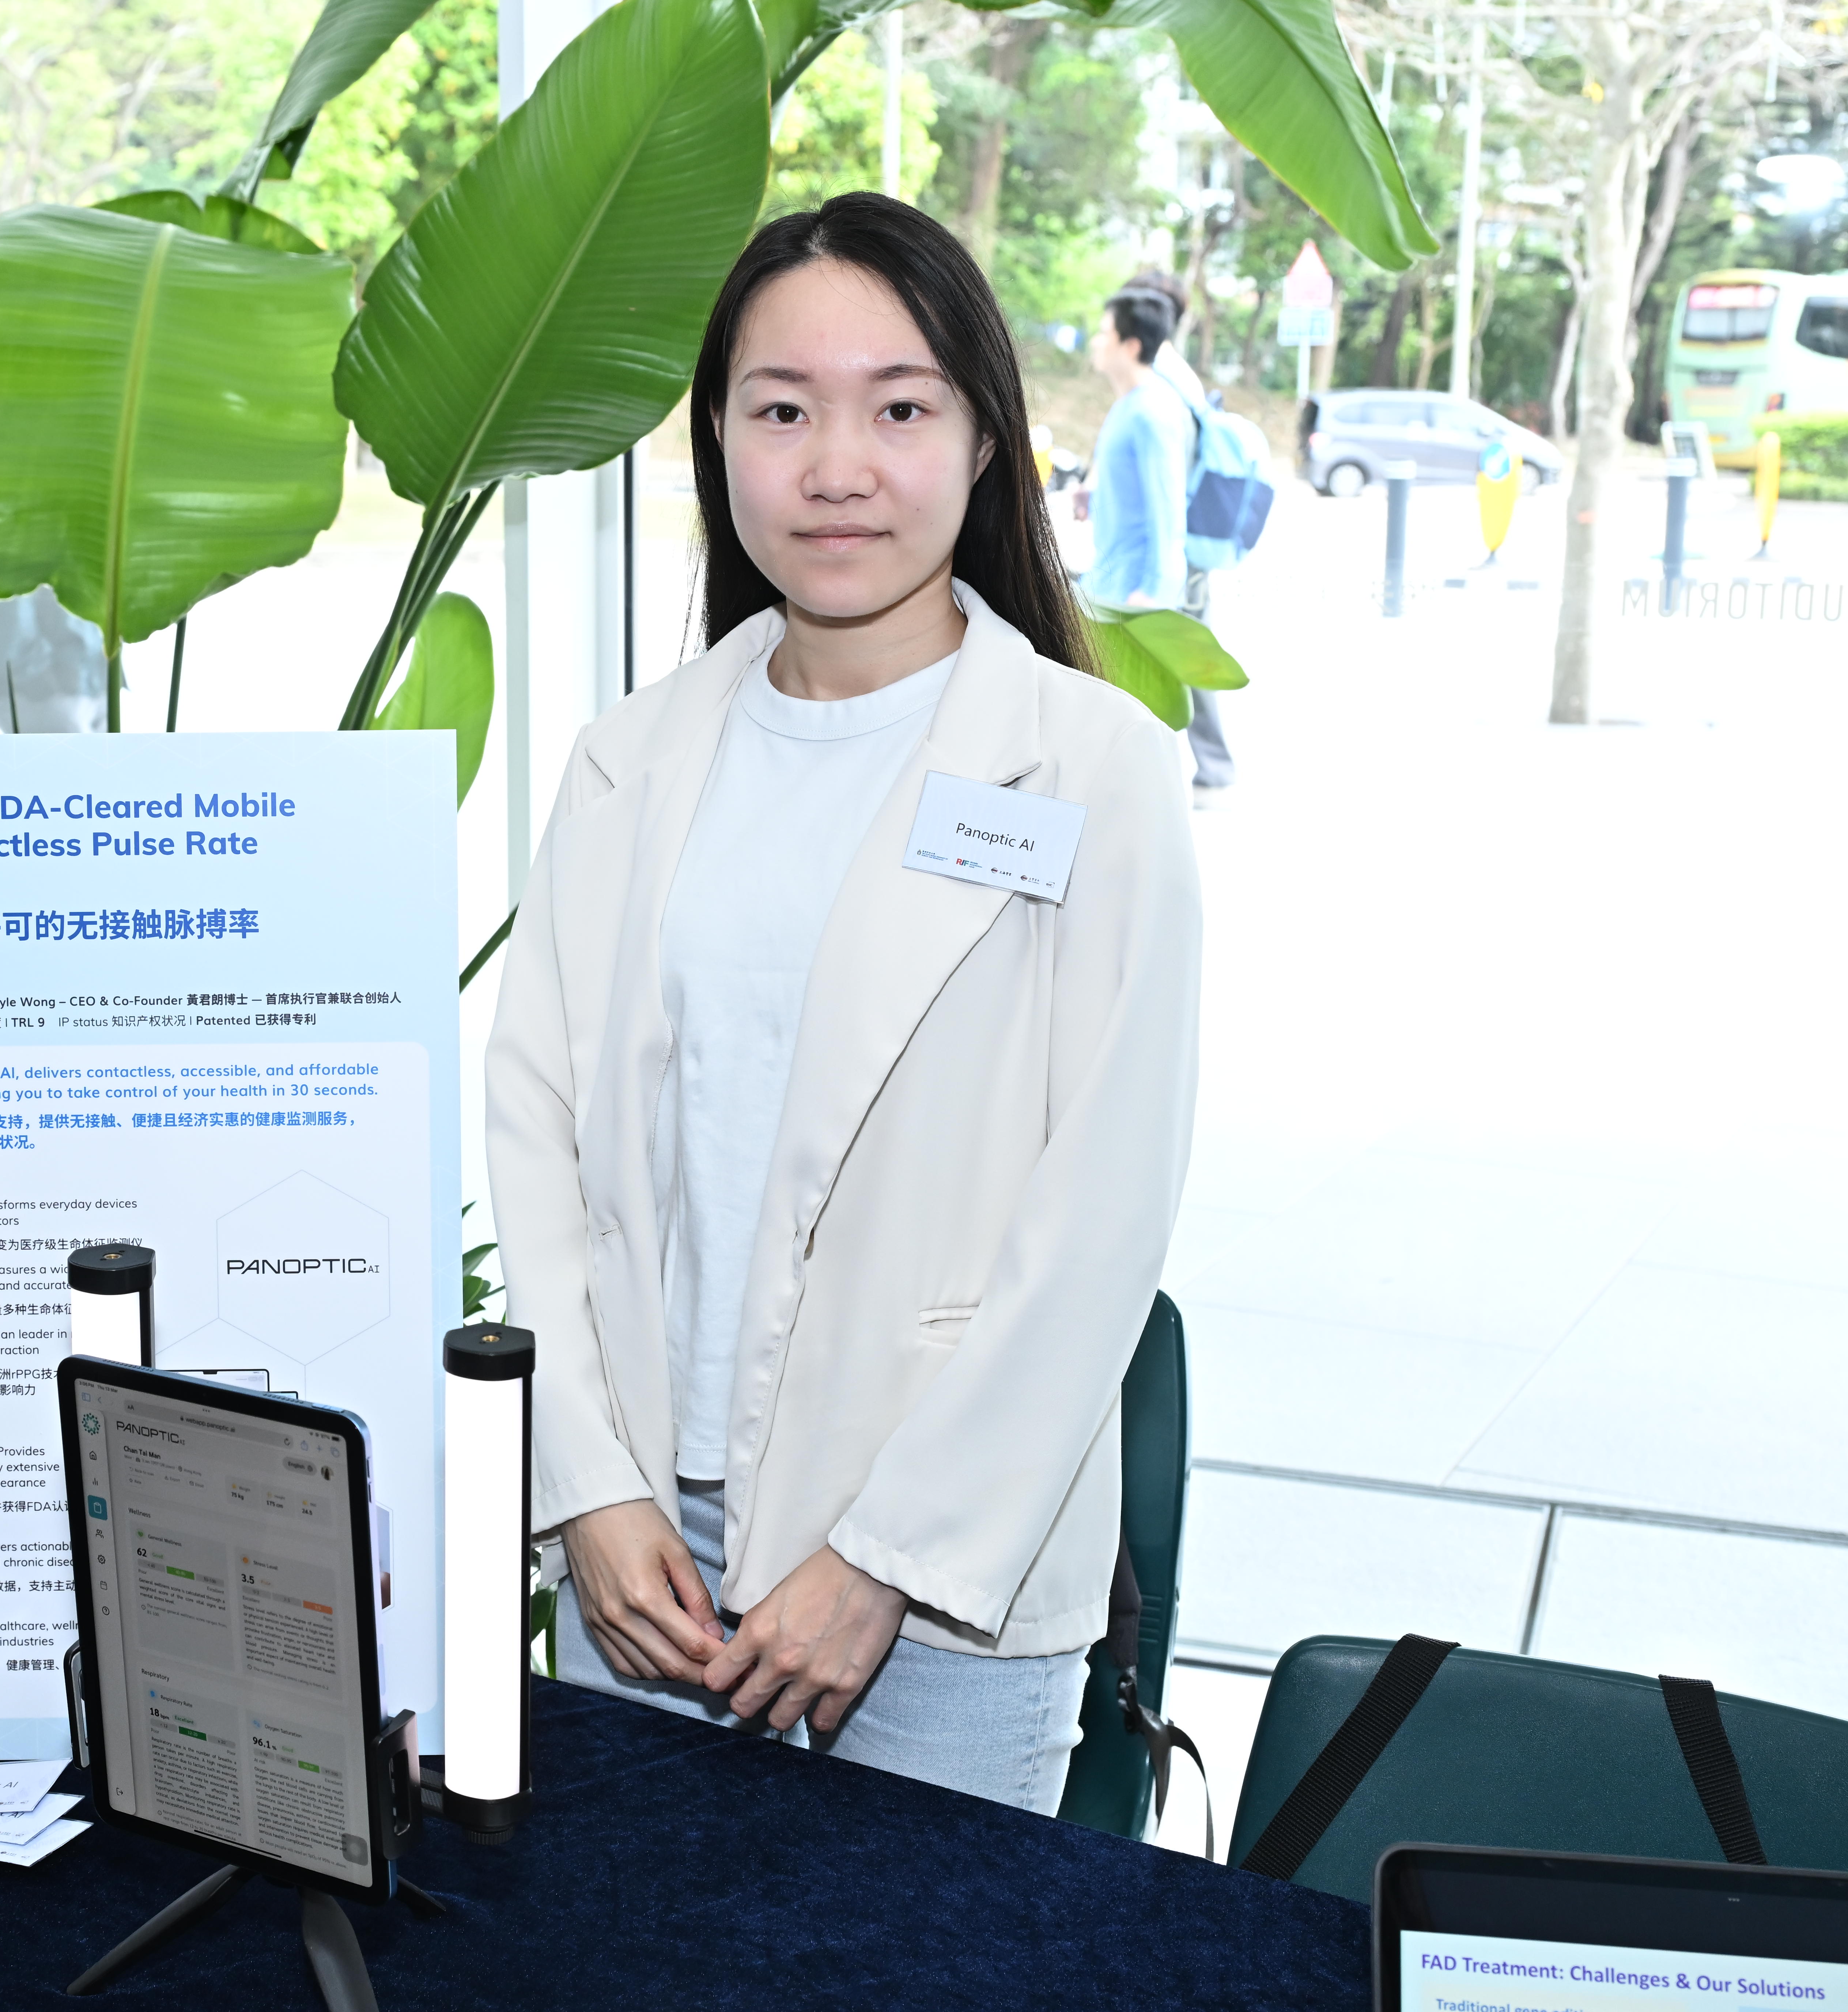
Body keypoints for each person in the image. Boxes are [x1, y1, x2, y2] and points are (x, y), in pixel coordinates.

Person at [485, 193, 1203, 1816]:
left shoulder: (1094, 770)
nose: (836, 466)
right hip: (644, 1560)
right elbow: (536, 1144)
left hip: (945, 1575)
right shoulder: (632, 756)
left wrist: (882, 1559)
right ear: (719, 441)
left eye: (900, 407)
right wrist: (589, 1488)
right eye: (782, 409)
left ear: (985, 442)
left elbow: (1102, 1218)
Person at [1078, 280, 1232, 801]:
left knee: (1146, 721)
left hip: (1139, 593)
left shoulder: (1154, 411)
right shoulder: (1127, 405)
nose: (1095, 342)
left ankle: (1192, 790)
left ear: (1131, 345)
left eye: (1104, 333)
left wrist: (1157, 597)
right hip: (1110, 581)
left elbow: (1169, 515)